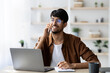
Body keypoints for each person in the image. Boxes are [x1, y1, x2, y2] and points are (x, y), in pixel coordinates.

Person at [34, 8, 101, 69]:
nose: (54, 23)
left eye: (58, 21)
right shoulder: (43, 39)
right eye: (52, 20)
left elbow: (96, 63)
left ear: (65, 24)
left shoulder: (74, 41)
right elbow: (33, 61)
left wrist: (72, 65)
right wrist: (43, 38)